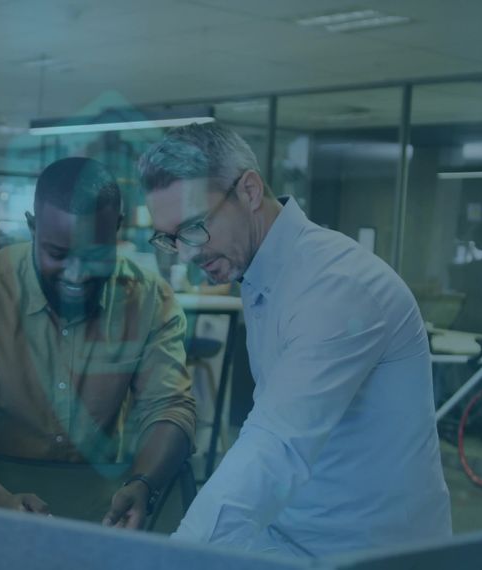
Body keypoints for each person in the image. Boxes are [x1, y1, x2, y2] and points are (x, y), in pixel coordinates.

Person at [138, 122, 450, 558]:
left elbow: (275, 444)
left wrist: (171, 558)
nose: (187, 254)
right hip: (292, 536)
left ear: (248, 191)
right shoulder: (261, 272)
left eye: (194, 227)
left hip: (369, 552)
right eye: (171, 239)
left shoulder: (338, 286)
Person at [0, 157, 195, 528]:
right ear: (32, 228)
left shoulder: (150, 300)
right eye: (58, 254)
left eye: (94, 255)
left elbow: (170, 408)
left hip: (104, 510)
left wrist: (143, 483)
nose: (76, 275)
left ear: (117, 230)